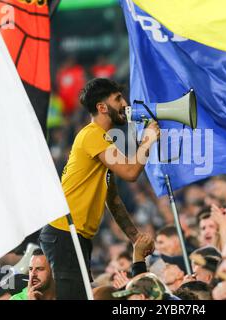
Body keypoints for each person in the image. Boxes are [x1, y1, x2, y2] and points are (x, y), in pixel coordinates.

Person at [40, 78, 159, 299]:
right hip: (65, 233)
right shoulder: (92, 134)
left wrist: (134, 237)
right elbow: (131, 173)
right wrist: (148, 141)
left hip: (73, 235)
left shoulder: (103, 141)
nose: (125, 103)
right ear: (102, 107)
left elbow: (113, 200)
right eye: (118, 98)